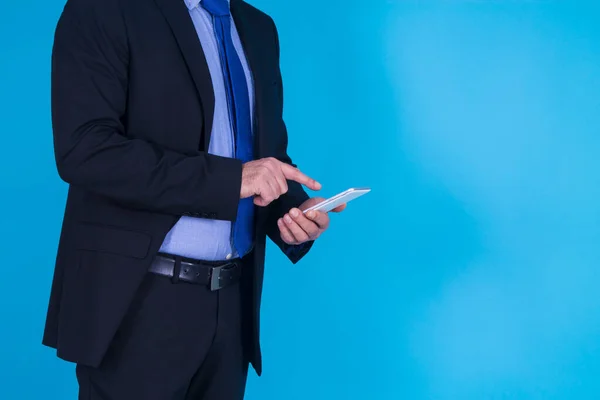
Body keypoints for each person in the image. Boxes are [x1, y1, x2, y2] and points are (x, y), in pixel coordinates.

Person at [42, 0, 345, 398]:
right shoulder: (104, 9)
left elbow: (261, 155)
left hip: (232, 304)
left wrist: (292, 214)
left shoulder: (258, 27)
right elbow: (86, 150)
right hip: (139, 302)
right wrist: (234, 179)